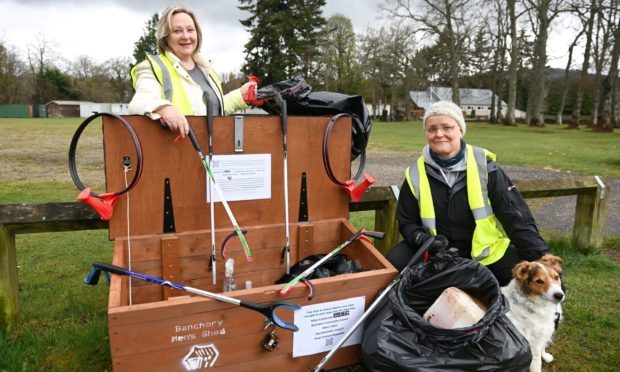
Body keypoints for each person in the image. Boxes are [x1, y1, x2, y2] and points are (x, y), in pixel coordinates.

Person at [387, 100, 548, 286]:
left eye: (447, 127)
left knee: (525, 276)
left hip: (484, 253)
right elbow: (407, 222)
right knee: (393, 266)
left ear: (460, 129)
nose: (439, 134)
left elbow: (516, 217)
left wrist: (543, 261)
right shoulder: (415, 172)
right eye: (432, 129)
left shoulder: (485, 167)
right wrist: (421, 238)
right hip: (434, 253)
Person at [129, 5, 255, 137]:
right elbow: (139, 102)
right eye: (177, 31)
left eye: (190, 30)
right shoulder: (152, 67)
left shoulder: (207, 69)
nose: (186, 36)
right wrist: (164, 108)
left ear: (197, 34)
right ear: (166, 37)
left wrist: (240, 96)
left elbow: (214, 109)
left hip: (210, 150)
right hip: (173, 151)